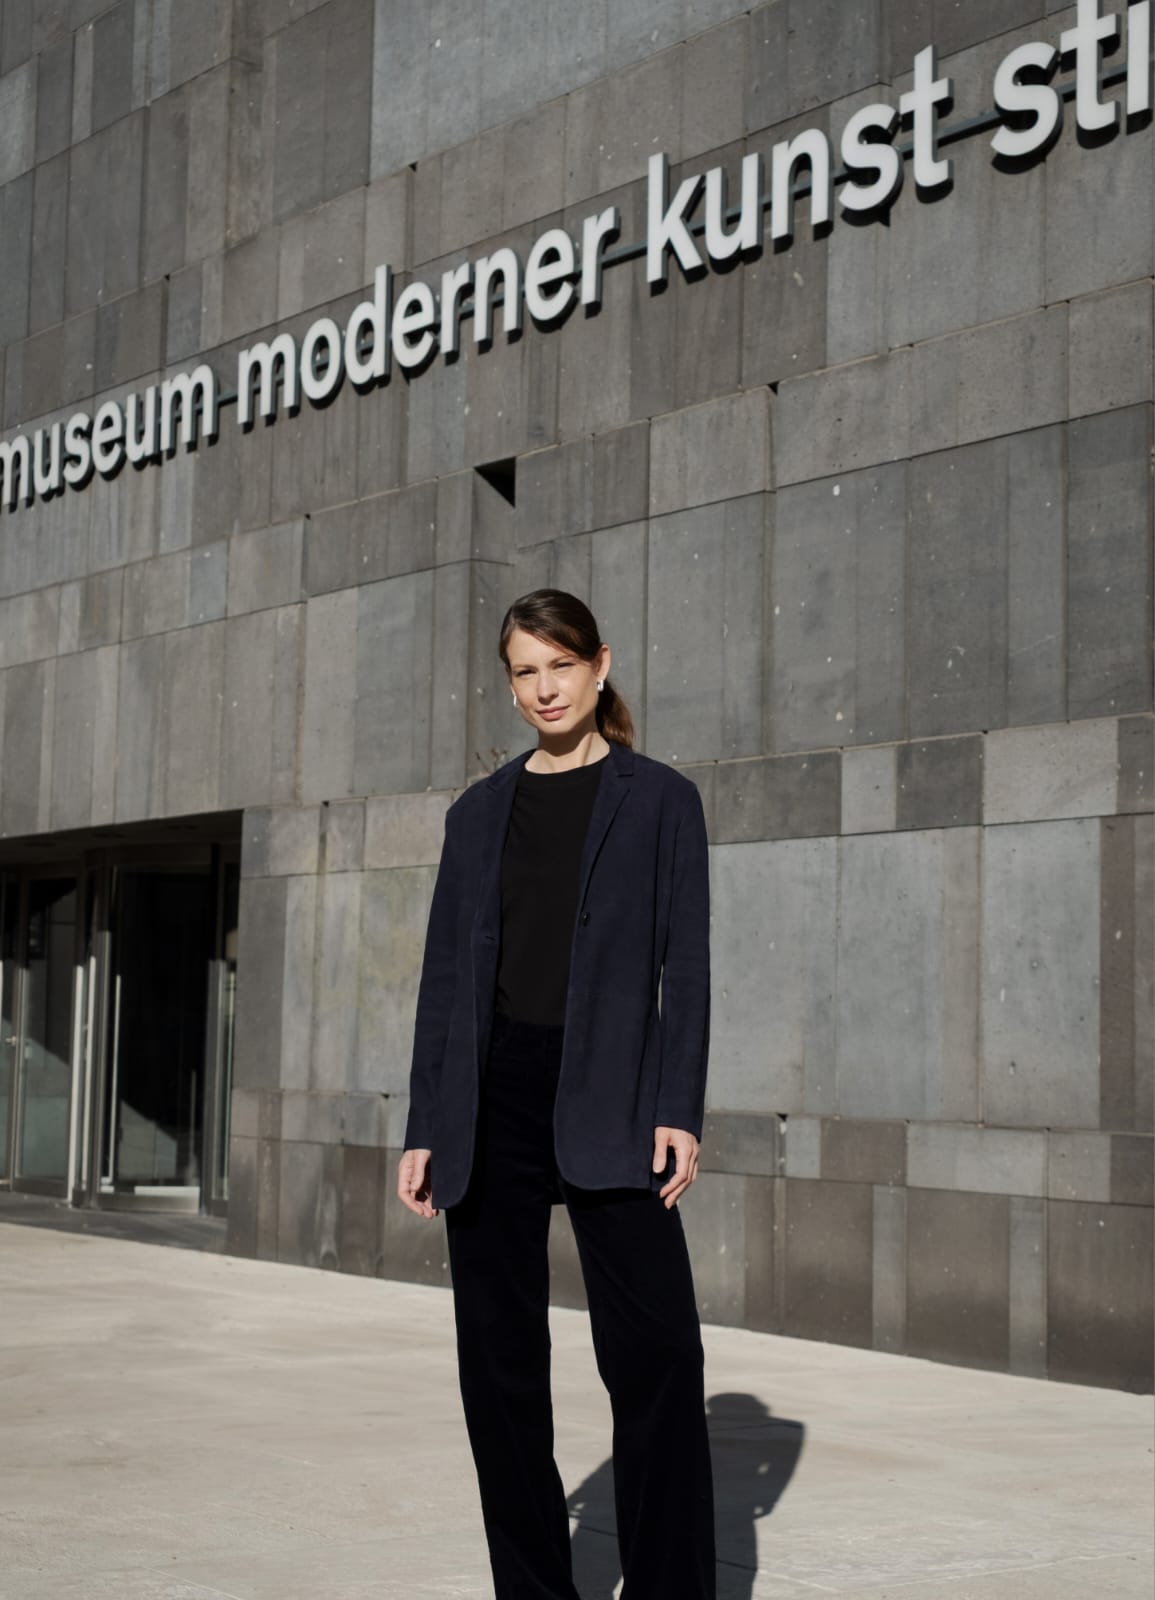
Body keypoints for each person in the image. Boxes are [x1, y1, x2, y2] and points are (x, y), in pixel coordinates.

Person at [397, 587, 716, 1599]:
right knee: (499, 1374)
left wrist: (679, 1108)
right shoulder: (477, 811)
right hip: (490, 1100)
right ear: (510, 682)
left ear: (600, 665)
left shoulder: (660, 798)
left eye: (560, 666)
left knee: (657, 1354)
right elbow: (445, 979)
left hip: (612, 1092)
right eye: (525, 671)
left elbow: (687, 966)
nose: (544, 687)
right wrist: (424, 1125)